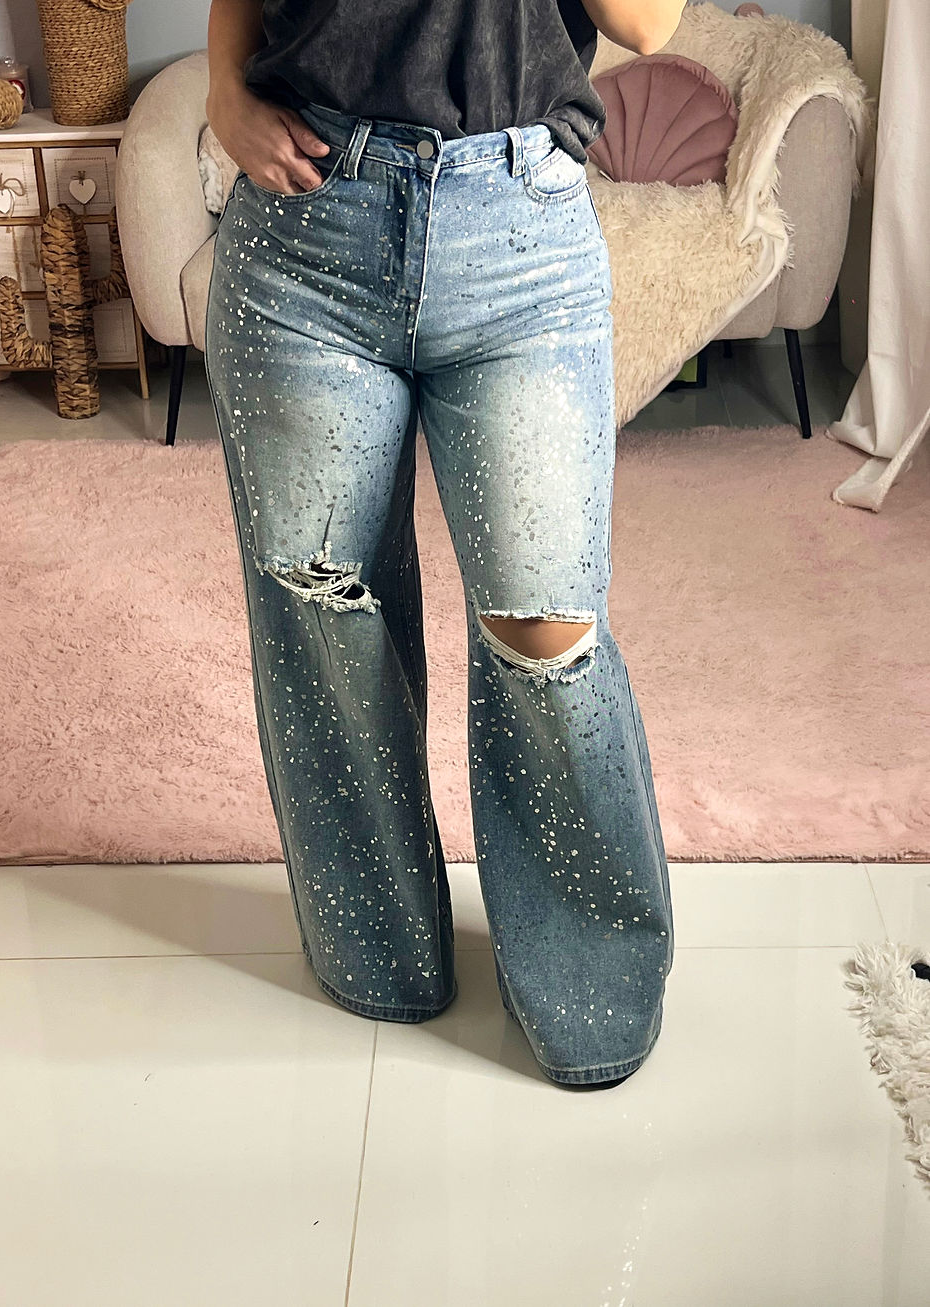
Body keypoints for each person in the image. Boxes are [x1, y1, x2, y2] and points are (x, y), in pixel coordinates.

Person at [204, 0, 683, 1088]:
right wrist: (224, 91)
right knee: (322, 614)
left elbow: (650, 23)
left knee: (546, 633)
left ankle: (592, 994)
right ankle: (379, 952)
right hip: (305, 234)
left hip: (520, 238)